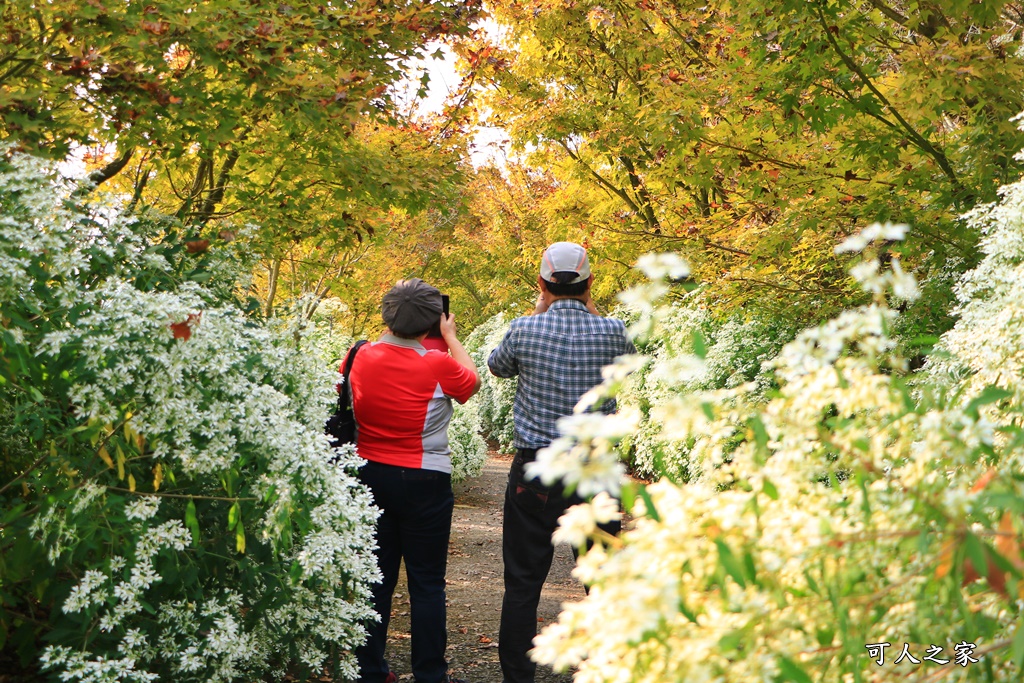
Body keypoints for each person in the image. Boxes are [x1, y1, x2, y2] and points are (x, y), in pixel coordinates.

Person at [486, 242, 635, 683]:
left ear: (542, 284)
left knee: (523, 582)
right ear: (590, 284)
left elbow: (497, 367)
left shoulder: (523, 329)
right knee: (602, 579)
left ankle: (518, 675)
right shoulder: (613, 330)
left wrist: (539, 311)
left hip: (537, 472)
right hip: (594, 471)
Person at [346, 278, 481, 683]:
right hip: (425, 477)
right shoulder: (437, 363)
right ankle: (429, 673)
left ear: (386, 314)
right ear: (434, 321)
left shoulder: (359, 355)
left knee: (376, 577)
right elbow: (470, 382)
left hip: (369, 471)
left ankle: (370, 669)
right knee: (426, 582)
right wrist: (451, 337)